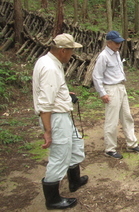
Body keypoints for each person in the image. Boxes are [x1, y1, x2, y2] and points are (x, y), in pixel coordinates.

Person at [32, 33, 88, 210]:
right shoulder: (50, 68)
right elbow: (45, 103)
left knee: (75, 144)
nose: (72, 55)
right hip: (55, 118)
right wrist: (48, 131)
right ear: (63, 50)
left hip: (60, 114)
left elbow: (51, 90)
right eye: (71, 51)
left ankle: (74, 181)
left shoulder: (48, 62)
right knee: (59, 155)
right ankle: (53, 199)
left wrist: (65, 95)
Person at [92, 30, 139, 159]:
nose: (118, 45)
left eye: (119, 43)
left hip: (121, 87)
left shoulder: (116, 53)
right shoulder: (103, 56)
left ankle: (132, 144)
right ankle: (110, 149)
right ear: (108, 43)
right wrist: (102, 93)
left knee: (127, 116)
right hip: (111, 89)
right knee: (112, 120)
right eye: (116, 43)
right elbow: (96, 76)